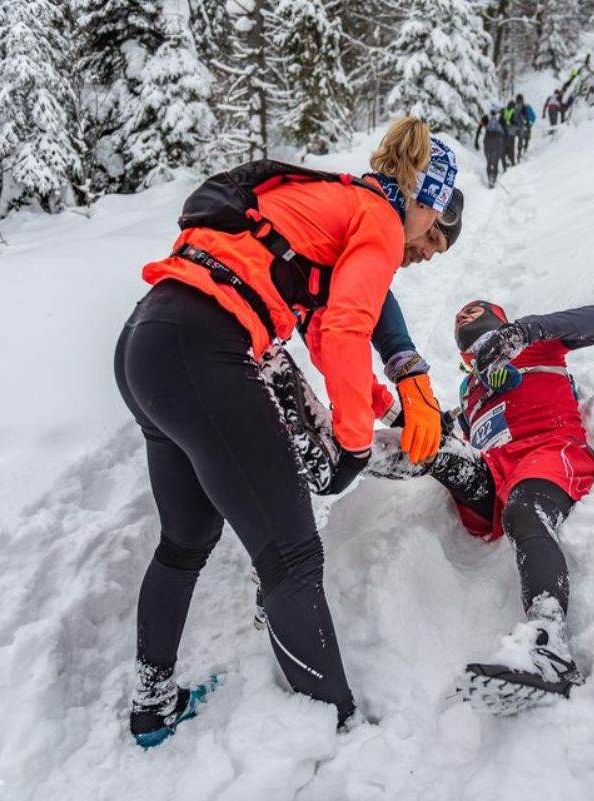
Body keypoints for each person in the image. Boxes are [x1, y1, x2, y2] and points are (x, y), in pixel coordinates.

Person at [114, 116, 459, 747]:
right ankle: (334, 727)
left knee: (186, 539)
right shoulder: (380, 219)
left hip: (146, 346)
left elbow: (329, 336)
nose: (428, 248)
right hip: (204, 351)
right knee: (292, 558)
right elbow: (355, 328)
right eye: (434, 231)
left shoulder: (333, 204)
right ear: (421, 201)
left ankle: (152, 703)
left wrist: (380, 405)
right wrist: (354, 442)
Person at [367, 300, 594, 714]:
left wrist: (524, 332)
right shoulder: (470, 391)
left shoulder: (539, 348)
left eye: (476, 312)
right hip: (494, 476)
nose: (463, 317)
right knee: (439, 448)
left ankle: (548, 642)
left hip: (549, 454)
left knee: (524, 509)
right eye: (458, 318)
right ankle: (358, 453)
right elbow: (453, 429)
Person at [474, 104, 508, 188]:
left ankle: (490, 179)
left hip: (488, 142)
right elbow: (506, 131)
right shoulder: (501, 118)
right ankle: (493, 180)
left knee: (489, 161)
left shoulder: (486, 117)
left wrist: (476, 140)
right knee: (496, 162)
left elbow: (479, 128)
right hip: (498, 142)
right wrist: (505, 144)